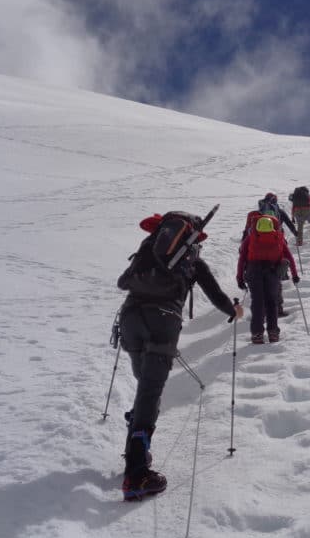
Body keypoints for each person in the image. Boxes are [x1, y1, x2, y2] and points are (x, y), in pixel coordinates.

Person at [116, 211, 242, 501]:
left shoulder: (147, 250)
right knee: (150, 392)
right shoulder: (191, 261)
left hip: (130, 319)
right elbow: (216, 295)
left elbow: (123, 283)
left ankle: (136, 448)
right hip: (163, 321)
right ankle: (136, 475)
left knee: (144, 389)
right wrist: (233, 311)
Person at [237, 214, 299, 344]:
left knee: (257, 303)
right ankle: (273, 333)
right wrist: (294, 275)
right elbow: (289, 257)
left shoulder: (251, 238)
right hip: (273, 272)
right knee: (272, 302)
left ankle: (257, 334)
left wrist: (240, 278)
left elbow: (242, 258)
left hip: (254, 272)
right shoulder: (278, 237)